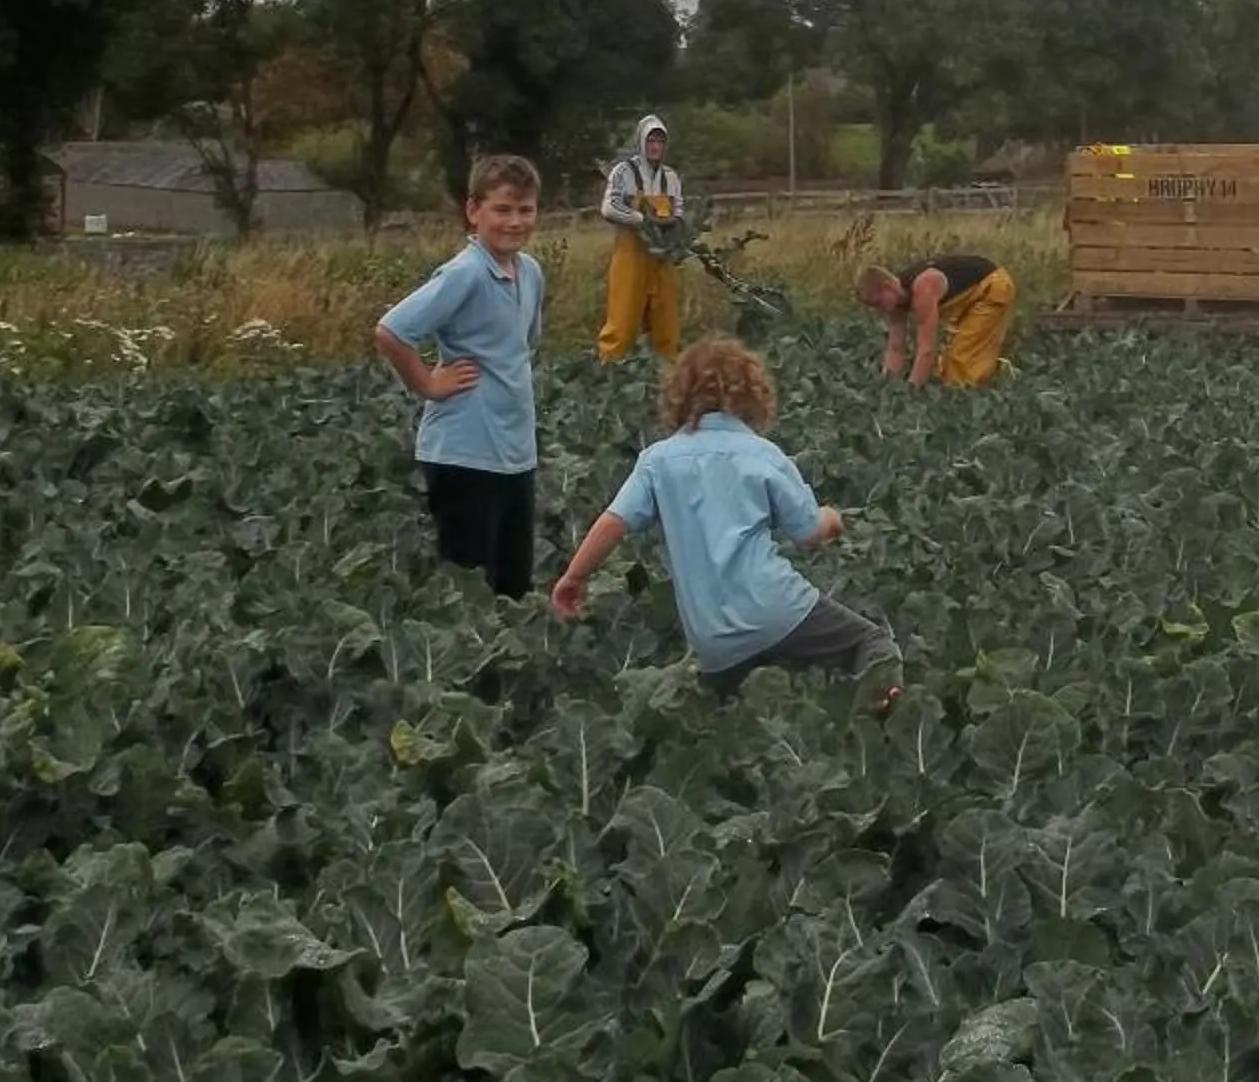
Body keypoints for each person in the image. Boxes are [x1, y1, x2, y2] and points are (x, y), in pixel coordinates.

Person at [550, 335, 903, 715]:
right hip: (777, 610)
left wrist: (574, 578)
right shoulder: (761, 453)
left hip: (714, 640)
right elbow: (809, 533)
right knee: (872, 644)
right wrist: (832, 519)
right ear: (753, 393)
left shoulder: (658, 460)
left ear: (678, 395)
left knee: (733, 721)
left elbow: (612, 522)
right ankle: (877, 714)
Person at [374, 153, 548, 598]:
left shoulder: (530, 273)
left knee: (513, 589)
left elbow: (521, 345)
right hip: (464, 454)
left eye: (525, 209)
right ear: (474, 210)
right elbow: (392, 331)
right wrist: (428, 383)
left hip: (515, 453)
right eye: (502, 209)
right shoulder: (465, 273)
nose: (514, 221)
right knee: (469, 595)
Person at [597, 114, 686, 366]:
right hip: (631, 256)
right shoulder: (624, 172)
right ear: (640, 142)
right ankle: (609, 373)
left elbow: (679, 209)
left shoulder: (671, 177)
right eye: (651, 141)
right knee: (621, 325)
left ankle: (665, 377)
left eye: (660, 141)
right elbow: (609, 207)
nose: (655, 147)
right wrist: (642, 220)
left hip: (662, 259)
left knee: (666, 326)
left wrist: (675, 227)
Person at [856, 253, 1016, 388]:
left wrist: (911, 390)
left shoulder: (923, 288)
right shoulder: (894, 301)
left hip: (992, 286)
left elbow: (927, 349)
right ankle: (991, 373)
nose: (880, 309)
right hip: (967, 299)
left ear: (887, 287)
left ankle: (972, 396)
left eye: (878, 302)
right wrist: (886, 386)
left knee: (961, 361)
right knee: (945, 364)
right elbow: (896, 348)